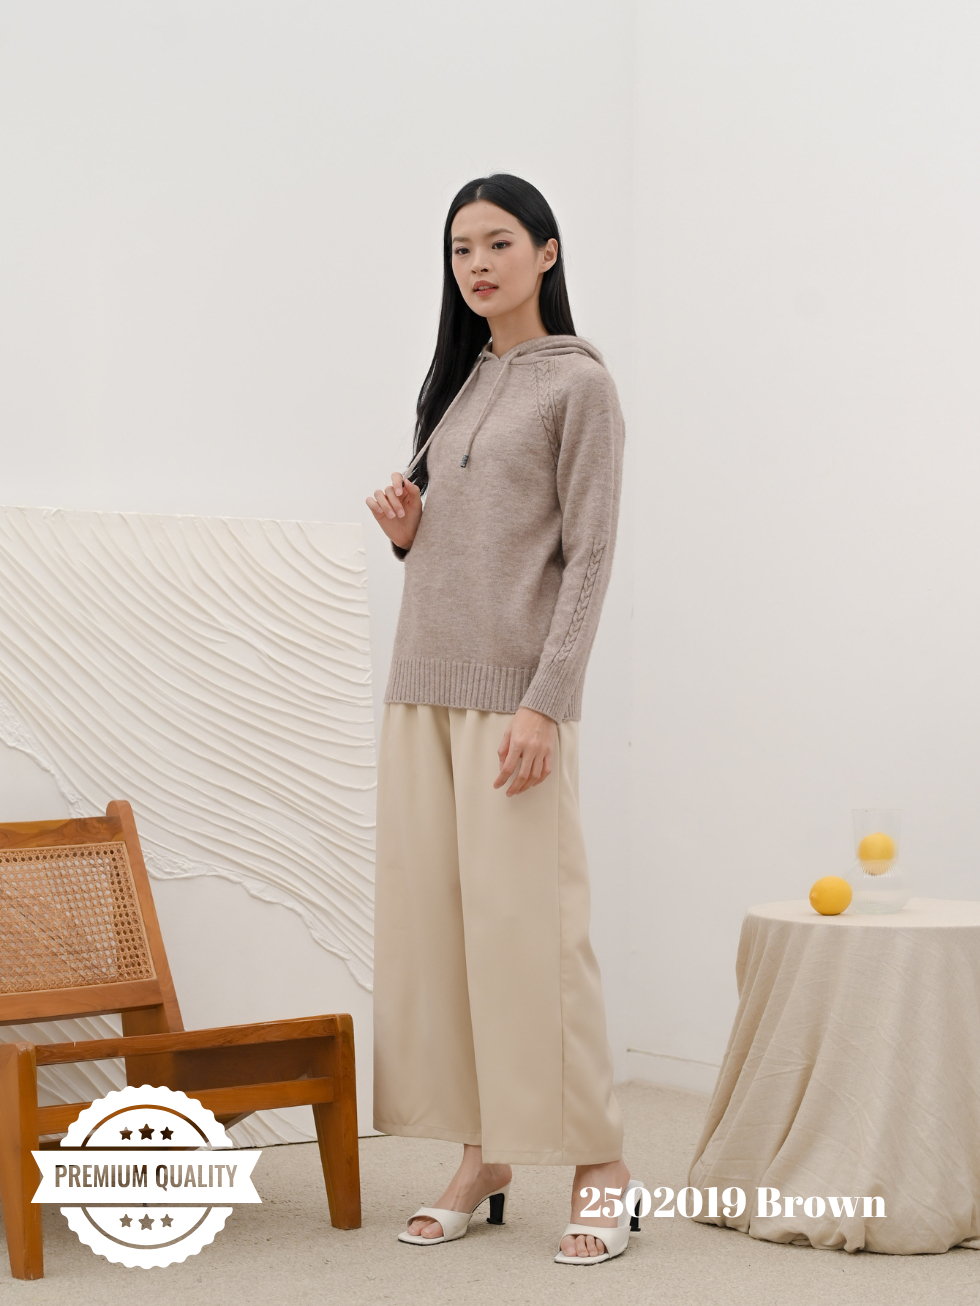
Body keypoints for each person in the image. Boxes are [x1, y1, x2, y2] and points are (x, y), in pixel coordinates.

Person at [365, 174, 637, 1265]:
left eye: (497, 243)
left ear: (546, 252)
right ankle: (482, 1157)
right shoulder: (463, 378)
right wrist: (408, 532)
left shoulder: (581, 386)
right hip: (421, 688)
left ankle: (601, 1164)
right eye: (459, 248)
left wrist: (544, 702)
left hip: (513, 703)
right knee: (443, 935)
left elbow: (588, 556)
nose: (475, 265)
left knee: (534, 937)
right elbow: (471, 543)